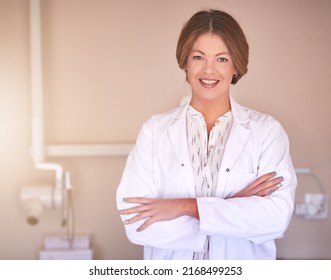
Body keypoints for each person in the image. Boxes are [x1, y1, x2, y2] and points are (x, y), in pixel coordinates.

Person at [116, 9, 297, 260]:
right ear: (185, 63)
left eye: (222, 59)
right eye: (198, 57)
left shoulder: (266, 132)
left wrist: (186, 207)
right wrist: (233, 204)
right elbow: (136, 222)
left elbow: (275, 218)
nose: (209, 70)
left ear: (236, 65)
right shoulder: (154, 132)